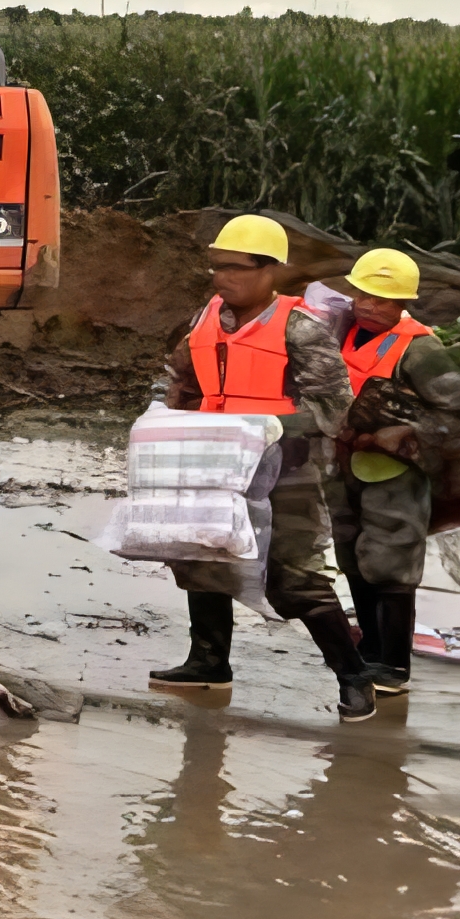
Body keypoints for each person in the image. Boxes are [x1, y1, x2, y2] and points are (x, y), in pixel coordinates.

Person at [141, 214, 369, 719]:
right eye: (216, 267)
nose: (222, 277)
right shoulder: (204, 319)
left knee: (296, 578)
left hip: (285, 472)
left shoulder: (299, 328)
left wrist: (273, 426)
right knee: (202, 559)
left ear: (269, 270)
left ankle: (354, 677)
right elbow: (179, 380)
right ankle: (208, 663)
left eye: (235, 268)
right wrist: (161, 418)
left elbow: (335, 407)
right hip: (212, 462)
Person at [332, 247, 460, 707]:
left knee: (391, 565)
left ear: (403, 304)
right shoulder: (342, 331)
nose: (368, 305)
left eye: (382, 300)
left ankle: (393, 665)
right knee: (352, 558)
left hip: (396, 474)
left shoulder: (420, 348)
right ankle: (370, 652)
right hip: (343, 466)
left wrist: (403, 433)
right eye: (362, 295)